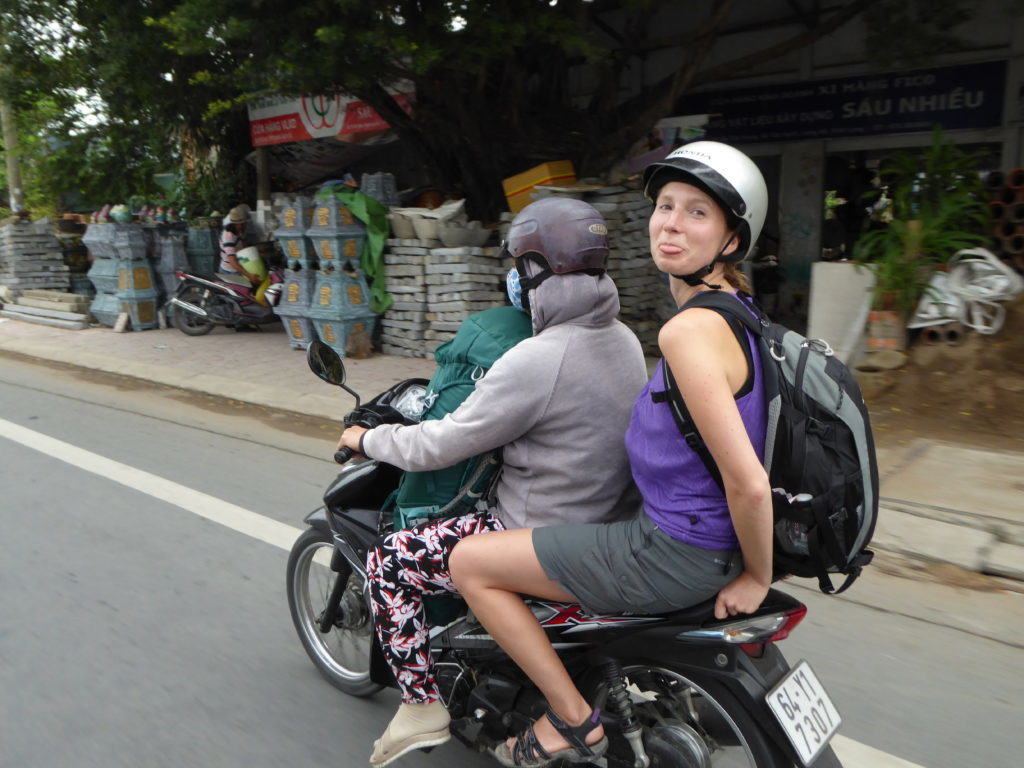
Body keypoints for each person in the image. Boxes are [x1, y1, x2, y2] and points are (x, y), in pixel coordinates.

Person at [447, 141, 772, 767]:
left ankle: (569, 719)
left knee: (470, 562)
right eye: (666, 205)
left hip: (675, 549)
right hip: (697, 537)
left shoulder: (687, 333)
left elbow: (748, 483)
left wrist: (754, 576)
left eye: (698, 212)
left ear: (732, 238)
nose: (671, 223)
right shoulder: (740, 314)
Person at [335, 197, 649, 768]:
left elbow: (437, 443)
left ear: (533, 273)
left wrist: (367, 440)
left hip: (533, 532)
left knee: (390, 563)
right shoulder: (624, 340)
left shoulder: (539, 357)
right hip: (607, 524)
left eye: (517, 266)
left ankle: (420, 705)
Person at [218, 205, 259, 284]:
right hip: (230, 271)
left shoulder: (239, 231)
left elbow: (242, 245)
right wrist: (249, 275)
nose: (246, 224)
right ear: (239, 224)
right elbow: (233, 262)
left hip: (238, 268)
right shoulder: (229, 236)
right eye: (244, 222)